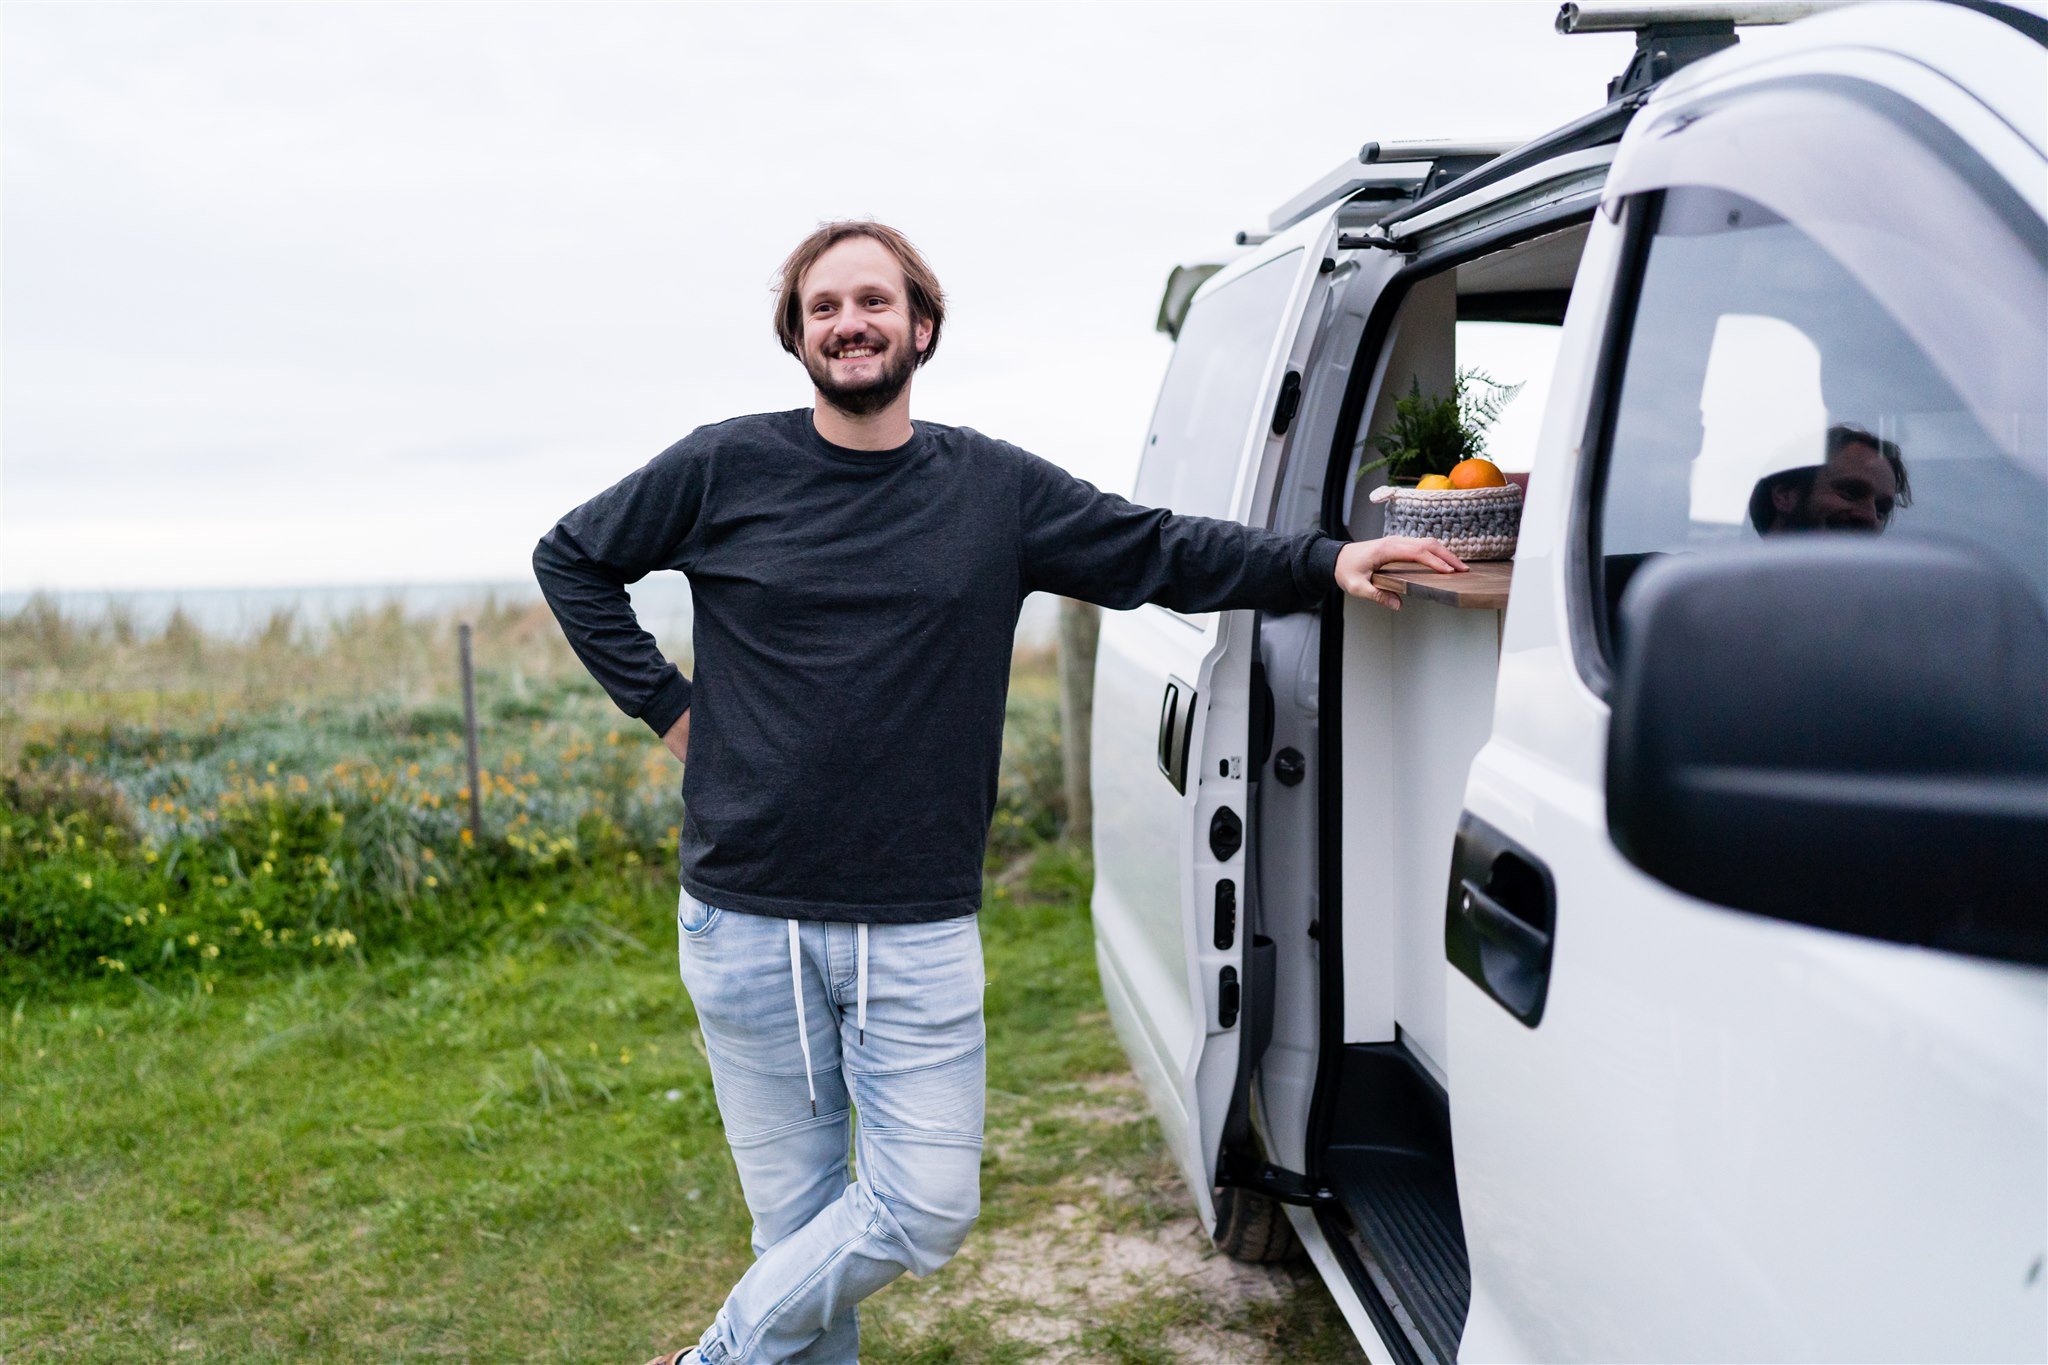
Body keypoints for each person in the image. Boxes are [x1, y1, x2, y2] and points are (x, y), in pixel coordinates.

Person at [531, 219, 1464, 1365]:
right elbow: (571, 556)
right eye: (823, 308)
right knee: (799, 1232)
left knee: (922, 1205)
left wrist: (1320, 560)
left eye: (873, 302)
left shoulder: (990, 490)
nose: (849, 324)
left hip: (915, 919)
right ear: (795, 336)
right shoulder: (724, 466)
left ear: (920, 327)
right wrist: (674, 712)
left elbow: (1154, 547)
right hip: (745, 916)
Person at [1748, 423, 1912, 534]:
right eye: (1851, 493)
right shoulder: (1729, 582)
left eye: (1881, 510)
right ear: (1784, 495)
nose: (1870, 517)